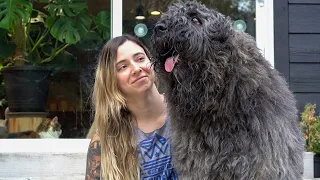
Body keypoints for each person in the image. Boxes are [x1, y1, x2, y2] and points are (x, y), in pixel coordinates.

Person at [85, 34, 178, 180]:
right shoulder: (106, 139)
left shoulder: (186, 112)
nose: (136, 68)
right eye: (123, 67)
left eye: (140, 59)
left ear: (151, 62)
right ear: (111, 81)